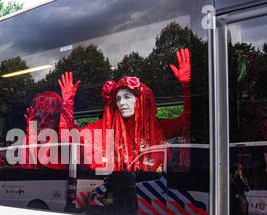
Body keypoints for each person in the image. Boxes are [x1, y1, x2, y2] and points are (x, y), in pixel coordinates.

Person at [59, 48, 192, 173]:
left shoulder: (157, 127)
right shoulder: (103, 129)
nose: (121, 102)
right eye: (118, 98)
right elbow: (67, 140)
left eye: (127, 97)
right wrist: (67, 104)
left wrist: (188, 88)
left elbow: (188, 122)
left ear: (141, 99)